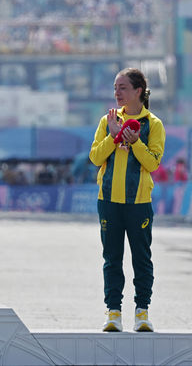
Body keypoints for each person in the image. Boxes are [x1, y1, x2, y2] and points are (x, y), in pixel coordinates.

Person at [89, 68, 165, 333]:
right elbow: (95, 158)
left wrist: (135, 143)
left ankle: (142, 313)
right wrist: (113, 136)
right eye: (115, 87)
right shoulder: (107, 120)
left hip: (139, 203)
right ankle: (114, 313)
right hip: (108, 200)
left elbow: (153, 163)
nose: (117, 93)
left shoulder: (153, 124)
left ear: (138, 91)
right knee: (112, 258)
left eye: (122, 87)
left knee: (141, 259)